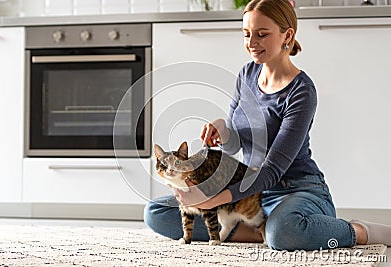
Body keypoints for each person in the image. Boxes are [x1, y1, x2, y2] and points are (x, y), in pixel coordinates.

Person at [144, 0, 391, 250]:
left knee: (284, 233)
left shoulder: (301, 91)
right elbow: (233, 146)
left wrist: (214, 199)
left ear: (287, 35)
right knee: (156, 212)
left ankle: (358, 231)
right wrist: (222, 128)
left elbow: (272, 170)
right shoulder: (247, 74)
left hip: (295, 189)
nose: (252, 43)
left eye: (262, 35)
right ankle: (260, 232)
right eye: (247, 34)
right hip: (250, 192)